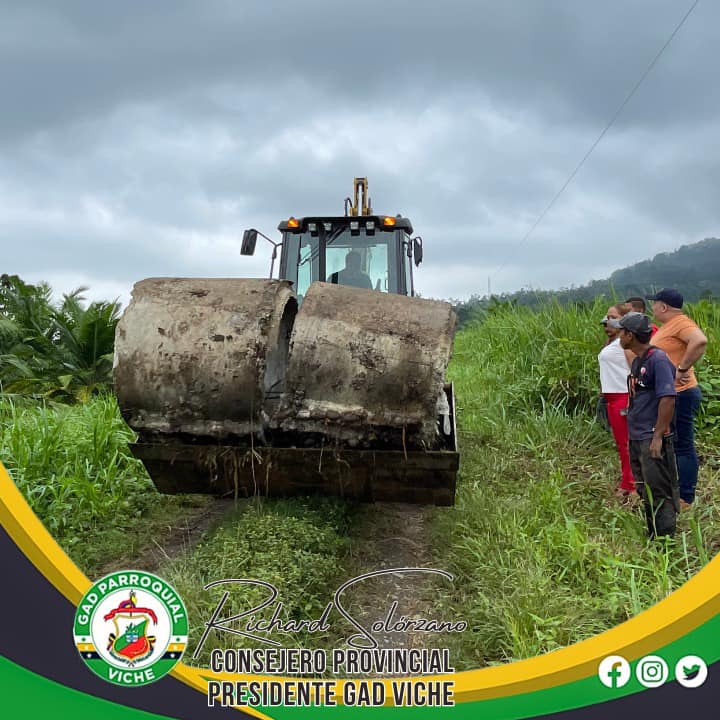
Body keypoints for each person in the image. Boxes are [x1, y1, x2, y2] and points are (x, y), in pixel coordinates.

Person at [610, 312, 679, 538]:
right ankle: (653, 535)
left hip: (651, 436)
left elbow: (668, 398)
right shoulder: (640, 360)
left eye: (622, 331)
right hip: (638, 435)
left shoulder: (658, 360)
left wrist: (658, 436)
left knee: (659, 489)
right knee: (644, 488)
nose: (619, 335)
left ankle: (665, 541)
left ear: (630, 335)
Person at [648, 288, 708, 508]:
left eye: (654, 304)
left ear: (663, 306)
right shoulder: (670, 326)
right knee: (674, 443)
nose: (652, 308)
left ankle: (686, 496)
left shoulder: (681, 323)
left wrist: (682, 369)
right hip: (671, 393)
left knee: (683, 444)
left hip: (681, 393)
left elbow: (700, 340)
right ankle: (675, 488)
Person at [598, 303, 636, 497]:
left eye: (613, 317)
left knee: (628, 444)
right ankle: (627, 481)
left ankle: (632, 485)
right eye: (608, 317)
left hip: (622, 396)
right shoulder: (616, 342)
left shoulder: (626, 345)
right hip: (612, 397)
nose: (608, 320)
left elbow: (634, 369)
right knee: (622, 443)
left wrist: (633, 397)